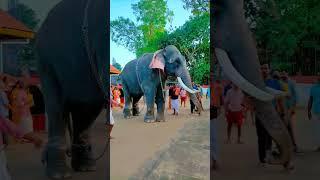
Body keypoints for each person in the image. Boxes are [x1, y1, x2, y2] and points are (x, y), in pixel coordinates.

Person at [308, 76, 320, 151]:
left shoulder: (313, 88)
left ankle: (318, 145)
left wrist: (308, 111)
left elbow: (310, 100)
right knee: (316, 129)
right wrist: (308, 111)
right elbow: (311, 100)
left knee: (316, 129)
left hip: (315, 111)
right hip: (316, 111)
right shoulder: (313, 88)